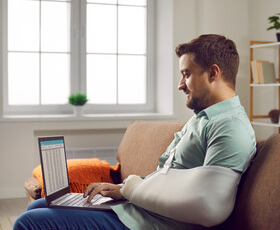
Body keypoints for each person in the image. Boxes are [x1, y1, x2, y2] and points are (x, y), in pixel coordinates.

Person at [14, 34, 256, 230]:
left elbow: (210, 208)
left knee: (28, 222)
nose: (180, 85)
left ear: (213, 73)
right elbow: (170, 179)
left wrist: (130, 190)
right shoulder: (202, 119)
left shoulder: (229, 126)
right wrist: (122, 191)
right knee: (38, 207)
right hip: (139, 211)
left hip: (151, 223)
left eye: (186, 74)